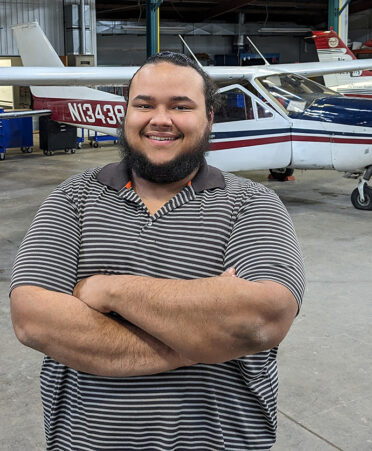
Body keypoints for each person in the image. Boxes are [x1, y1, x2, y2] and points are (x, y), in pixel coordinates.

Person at [10, 52, 305, 450]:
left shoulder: (253, 204)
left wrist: (107, 290)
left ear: (209, 119)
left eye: (181, 106)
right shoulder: (71, 199)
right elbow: (34, 319)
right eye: (144, 104)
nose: (160, 119)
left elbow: (258, 320)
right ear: (126, 114)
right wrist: (201, 340)